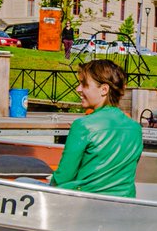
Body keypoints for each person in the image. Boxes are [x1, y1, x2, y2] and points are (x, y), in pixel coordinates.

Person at [50, 59, 143, 197]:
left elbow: (63, 177)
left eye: (84, 84)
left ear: (104, 90)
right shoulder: (135, 128)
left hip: (86, 201)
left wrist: (48, 187)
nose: (78, 89)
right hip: (125, 201)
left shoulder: (83, 125)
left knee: (25, 181)